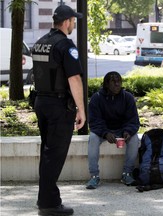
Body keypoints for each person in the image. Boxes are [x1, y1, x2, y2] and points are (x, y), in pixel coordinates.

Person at [32, 5, 86, 216]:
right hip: (58, 106)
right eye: (73, 20)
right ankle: (49, 203)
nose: (74, 24)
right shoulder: (65, 45)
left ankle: (45, 198)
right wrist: (81, 109)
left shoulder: (40, 43)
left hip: (41, 103)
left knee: (47, 153)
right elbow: (74, 78)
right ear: (66, 22)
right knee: (54, 155)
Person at [86, 71, 140, 189]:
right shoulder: (97, 98)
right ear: (106, 84)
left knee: (134, 139)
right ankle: (94, 176)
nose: (117, 84)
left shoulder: (127, 97)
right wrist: (105, 133)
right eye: (113, 82)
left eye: (119, 81)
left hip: (122, 130)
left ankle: (127, 174)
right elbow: (94, 122)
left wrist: (128, 131)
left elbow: (133, 120)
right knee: (93, 138)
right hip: (103, 131)